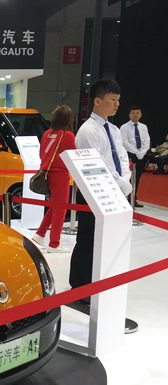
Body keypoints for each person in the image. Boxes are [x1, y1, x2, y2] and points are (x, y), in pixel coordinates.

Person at [69, 79, 132, 293]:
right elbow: (98, 166)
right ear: (98, 101)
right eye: (113, 100)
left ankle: (96, 283)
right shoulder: (88, 131)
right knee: (88, 240)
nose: (117, 104)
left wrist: (124, 183)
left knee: (105, 240)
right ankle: (80, 287)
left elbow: (122, 158)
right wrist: (121, 185)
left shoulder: (113, 129)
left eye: (118, 100)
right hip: (93, 190)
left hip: (114, 191)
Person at [31, 105, 76, 253]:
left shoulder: (47, 133)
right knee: (60, 209)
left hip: (46, 172)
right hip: (60, 174)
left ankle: (40, 234)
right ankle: (54, 243)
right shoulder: (68, 135)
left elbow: (41, 154)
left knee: (55, 206)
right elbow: (72, 155)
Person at [120, 106, 150, 207]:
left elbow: (147, 140)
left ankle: (133, 198)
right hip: (130, 154)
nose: (135, 115)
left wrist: (143, 151)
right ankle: (125, 198)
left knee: (137, 177)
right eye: (133, 113)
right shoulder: (124, 127)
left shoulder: (144, 127)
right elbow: (124, 142)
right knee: (128, 177)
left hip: (142, 155)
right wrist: (136, 152)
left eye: (137, 113)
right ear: (129, 115)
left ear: (141, 115)